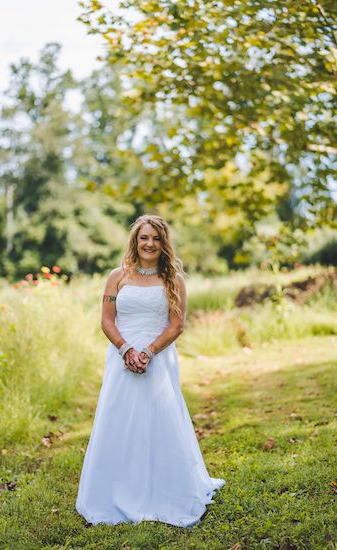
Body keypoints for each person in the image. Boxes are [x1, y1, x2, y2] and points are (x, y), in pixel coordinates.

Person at [75, 214, 225, 527]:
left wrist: (148, 351)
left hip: (158, 357)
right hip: (121, 358)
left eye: (156, 238)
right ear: (135, 241)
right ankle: (115, 491)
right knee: (120, 422)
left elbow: (177, 324)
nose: (149, 244)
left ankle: (168, 492)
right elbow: (106, 319)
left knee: (160, 421)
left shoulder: (174, 280)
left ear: (164, 243)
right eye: (144, 237)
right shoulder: (117, 277)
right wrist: (126, 349)